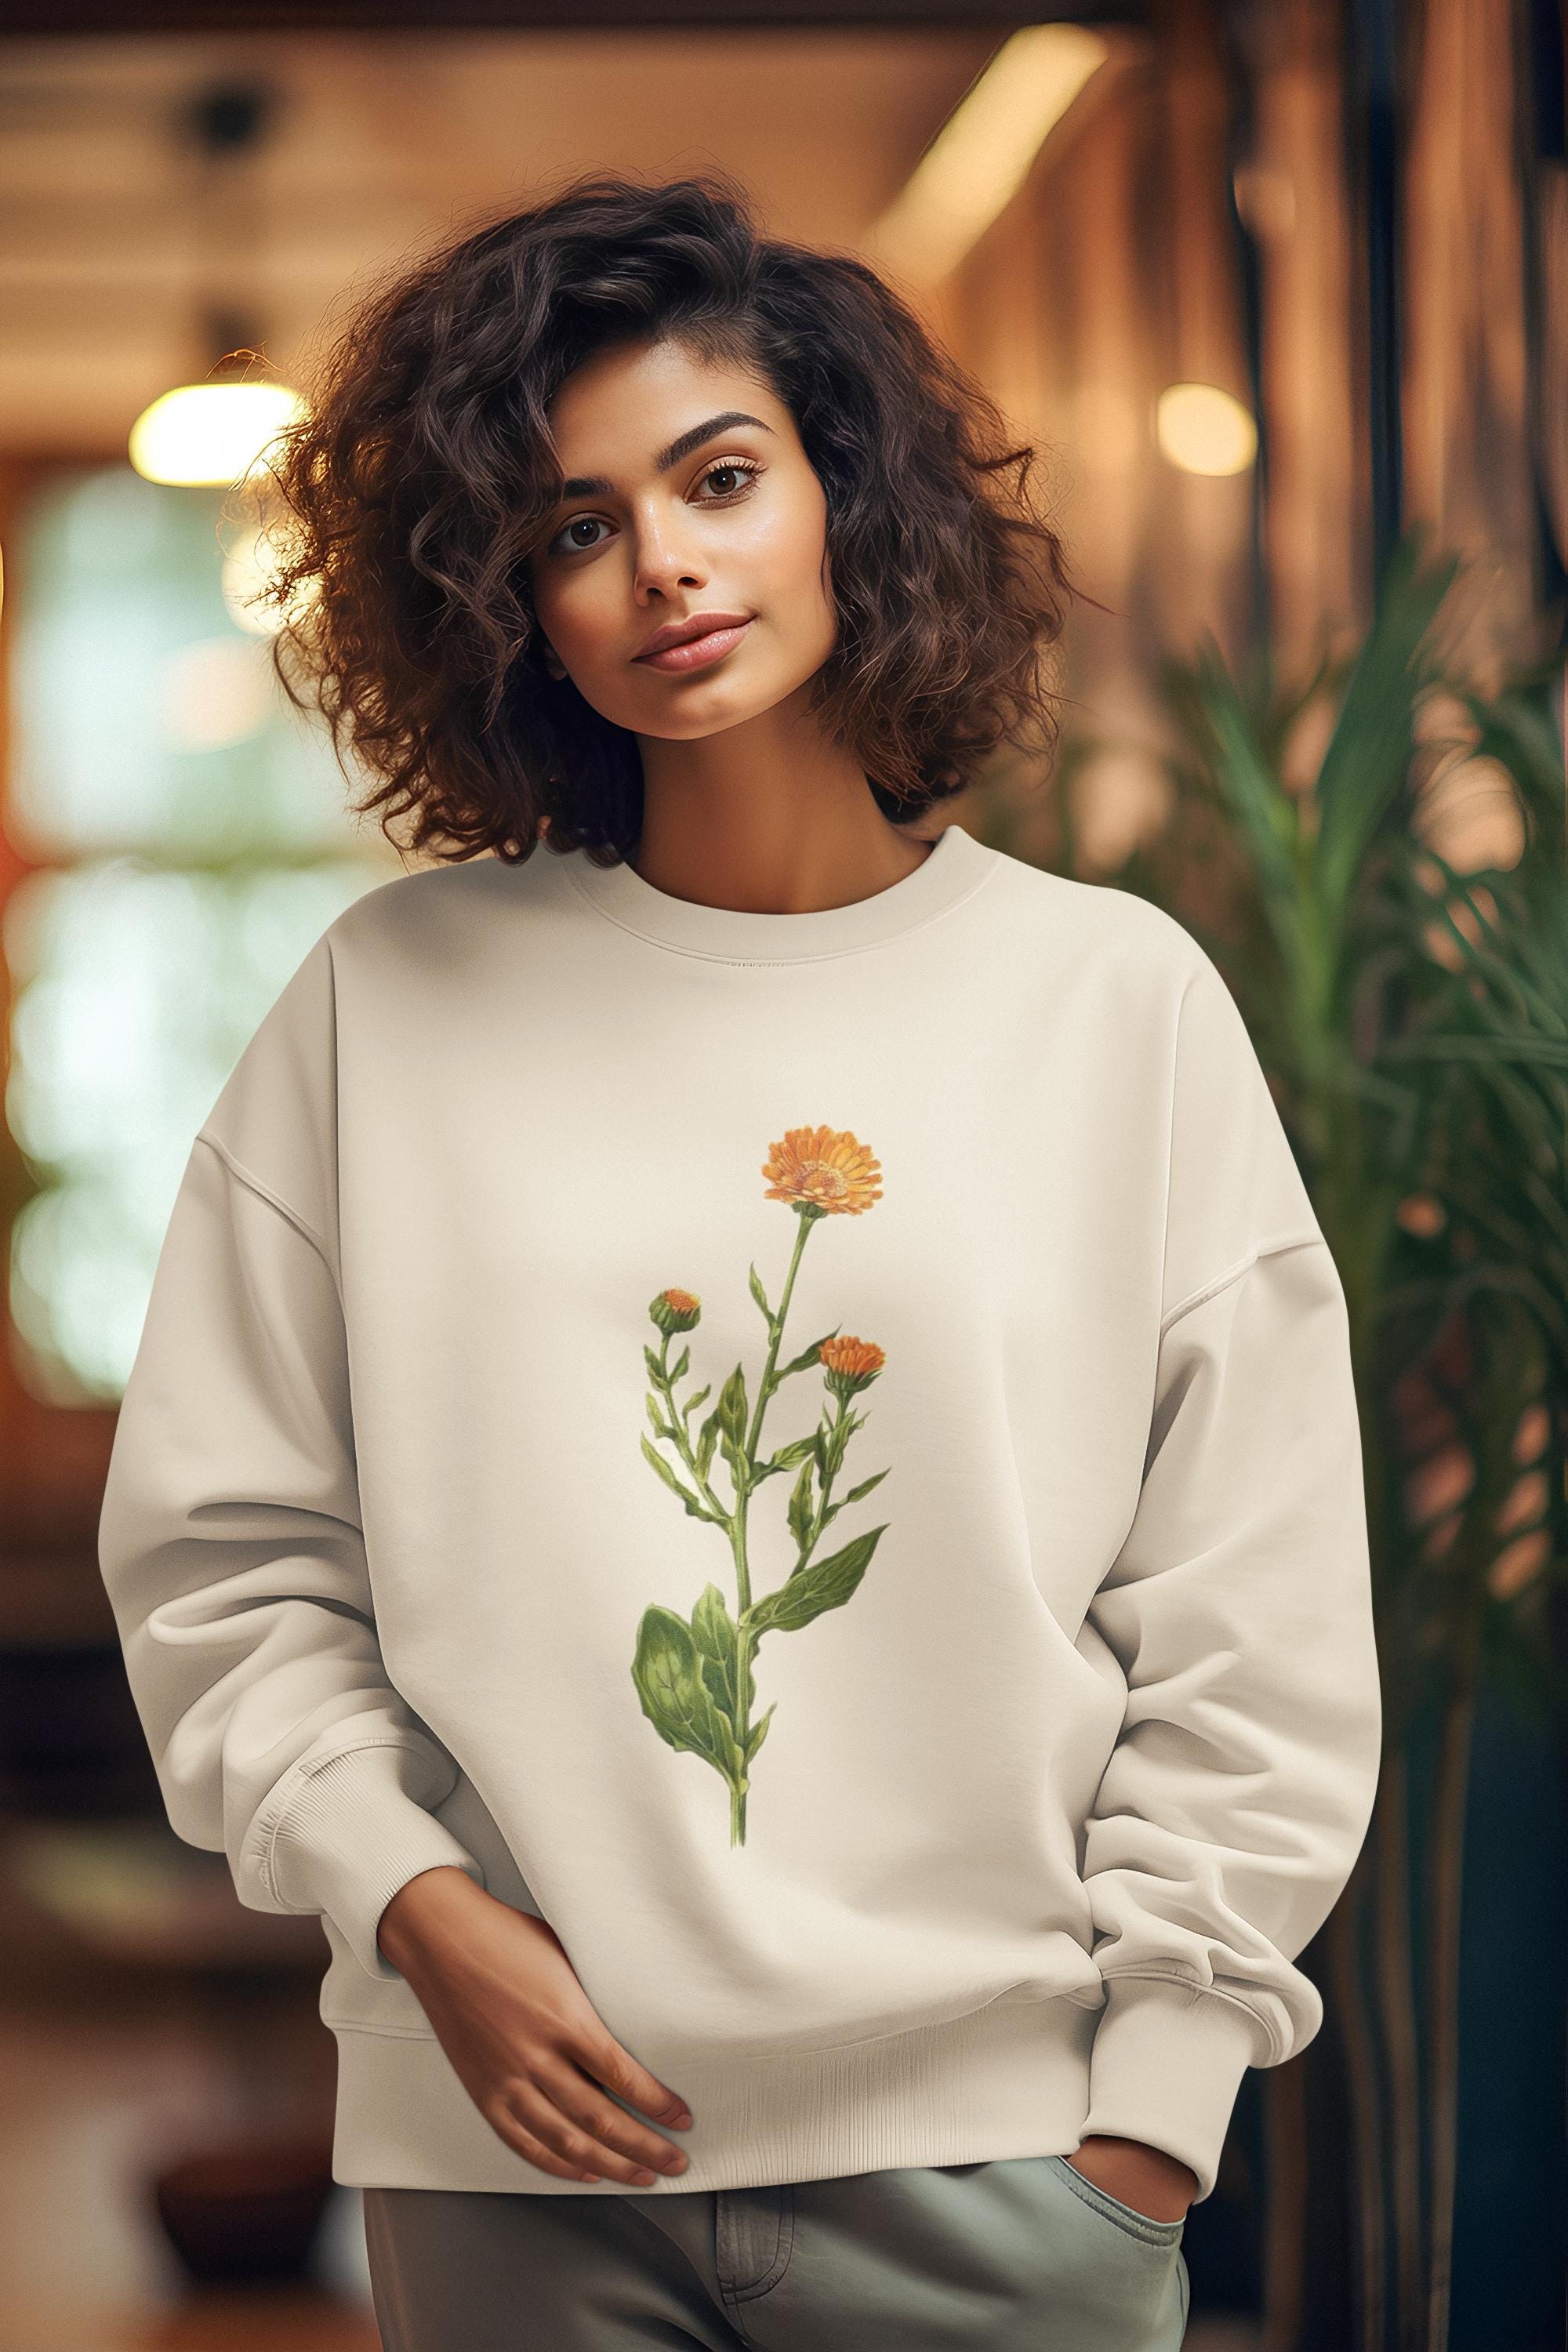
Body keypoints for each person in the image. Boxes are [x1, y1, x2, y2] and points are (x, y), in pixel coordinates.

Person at [96, 172, 1382, 2352]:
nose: (661, 565)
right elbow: (228, 1563)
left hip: (1014, 2178)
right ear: (502, 593)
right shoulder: (387, 1003)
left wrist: (1146, 2126)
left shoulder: (1112, 1002)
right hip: (513, 2168)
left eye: (719, 479)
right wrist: (415, 1913)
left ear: (847, 502)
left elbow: (1250, 1607)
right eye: (575, 524)